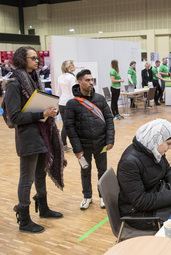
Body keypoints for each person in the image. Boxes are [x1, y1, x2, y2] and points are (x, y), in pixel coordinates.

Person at [5, 46, 65, 233]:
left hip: (42, 133)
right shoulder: (15, 83)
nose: (37, 60)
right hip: (28, 137)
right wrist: (42, 112)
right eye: (33, 58)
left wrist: (49, 111)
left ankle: (44, 208)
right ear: (22, 60)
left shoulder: (35, 78)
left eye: (37, 57)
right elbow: (14, 117)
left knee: (40, 173)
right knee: (27, 178)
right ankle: (24, 220)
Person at [117, 119, 171, 230]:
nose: (170, 148)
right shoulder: (129, 163)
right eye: (168, 144)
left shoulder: (154, 149)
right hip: (138, 213)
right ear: (157, 139)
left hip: (155, 196)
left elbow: (167, 170)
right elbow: (140, 201)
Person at [65, 69, 115, 210]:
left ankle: (102, 196)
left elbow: (109, 119)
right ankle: (87, 196)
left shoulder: (99, 98)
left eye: (92, 80)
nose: (91, 83)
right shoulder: (72, 104)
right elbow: (70, 128)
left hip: (101, 143)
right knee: (85, 171)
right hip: (83, 145)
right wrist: (77, 148)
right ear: (79, 82)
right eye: (87, 80)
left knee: (102, 170)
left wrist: (110, 139)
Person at [57, 60, 76, 152]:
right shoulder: (71, 78)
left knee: (65, 125)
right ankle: (68, 145)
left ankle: (63, 145)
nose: (74, 66)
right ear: (69, 67)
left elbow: (58, 92)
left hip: (62, 103)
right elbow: (73, 92)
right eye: (72, 65)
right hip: (69, 103)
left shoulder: (60, 77)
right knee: (69, 125)